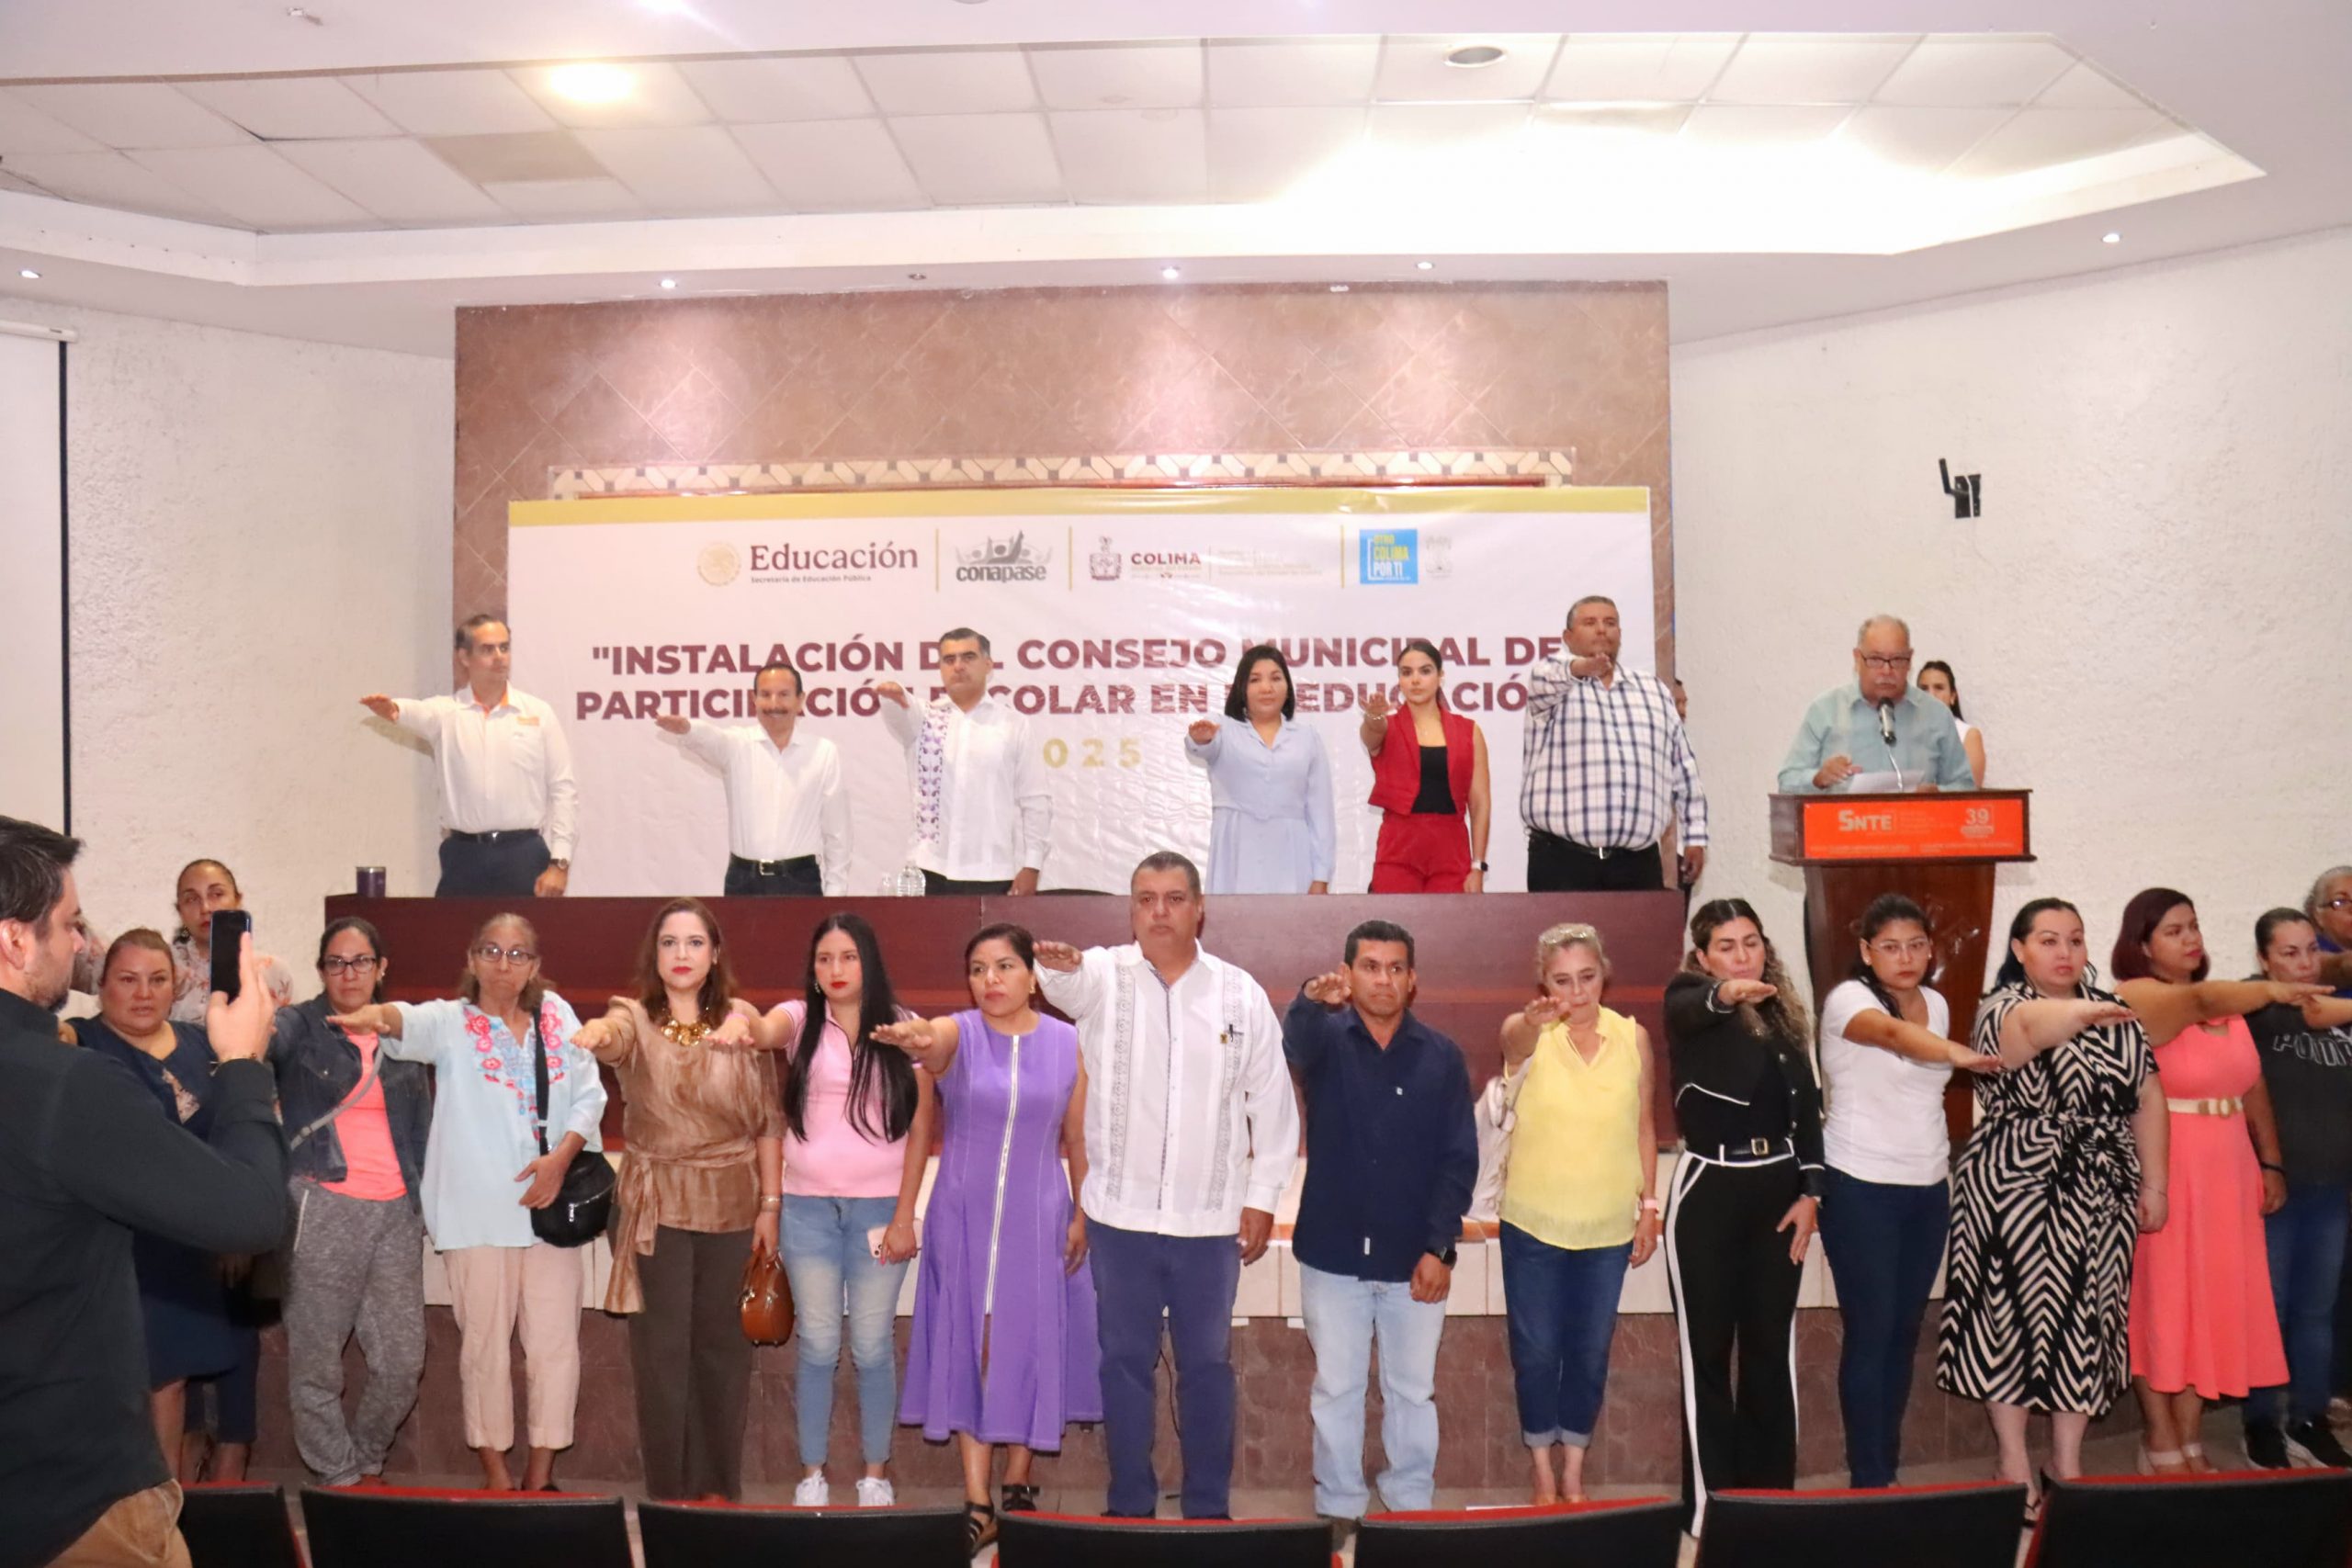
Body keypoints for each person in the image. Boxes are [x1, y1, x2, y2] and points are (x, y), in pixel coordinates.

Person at [0, 816, 286, 1568]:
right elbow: (251, 1211)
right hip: (66, 1499)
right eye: (70, 922)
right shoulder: (61, 1083)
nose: (79, 945)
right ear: (15, 940)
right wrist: (244, 1064)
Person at [1034, 852, 1300, 1520]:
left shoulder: (1239, 993)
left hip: (1209, 1224)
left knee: (1206, 1365)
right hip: (1119, 1220)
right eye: (1146, 898)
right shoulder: (1104, 976)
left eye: (1174, 898)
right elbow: (1064, 985)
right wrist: (1055, 966)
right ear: (1131, 910)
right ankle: (1129, 1505)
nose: (1159, 911)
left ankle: (1208, 1509)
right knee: (1124, 1363)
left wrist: (1262, 1196)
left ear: (1199, 908)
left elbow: (1273, 1104)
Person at [327, 913, 606, 1491]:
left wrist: (559, 1160)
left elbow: (590, 1095)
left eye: (518, 953)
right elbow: (402, 1019)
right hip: (476, 1215)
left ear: (535, 964)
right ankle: (497, 1480)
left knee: (555, 1347)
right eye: (492, 951)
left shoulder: (557, 1015)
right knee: (484, 1350)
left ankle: (540, 1479)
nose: (504, 963)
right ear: (472, 958)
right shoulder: (452, 1023)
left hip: (551, 1209)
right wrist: (373, 1016)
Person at [1938, 898, 2164, 1523]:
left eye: (2075, 938)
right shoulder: (2002, 1006)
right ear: (2019, 949)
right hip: (2016, 1182)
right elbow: (2030, 1033)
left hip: (2103, 1184)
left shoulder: (2115, 1012)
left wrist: (2157, 1183)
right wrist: (2082, 1012)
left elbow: (2148, 1097)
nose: (2065, 951)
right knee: (2008, 1316)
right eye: (2048, 940)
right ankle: (2011, 1462)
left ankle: (2068, 1461)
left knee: (2089, 1320)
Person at [876, 925, 1100, 1554]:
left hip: (1041, 1215)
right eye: (978, 969)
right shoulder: (958, 1034)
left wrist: (1083, 1213)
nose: (991, 980)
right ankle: (978, 1500)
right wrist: (921, 1038)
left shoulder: (1068, 1043)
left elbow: (1077, 1139)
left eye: (1004, 966)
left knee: (1028, 1345)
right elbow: (935, 1047)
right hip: (963, 1215)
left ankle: (1018, 1482)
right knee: (973, 1346)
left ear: (1032, 976)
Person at [568, 899, 780, 1501]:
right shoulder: (631, 1015)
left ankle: (717, 1489)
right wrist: (597, 1035)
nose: (681, 954)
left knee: (723, 1351)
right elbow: (612, 1037)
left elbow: (769, 1121)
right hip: (655, 1204)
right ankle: (669, 1495)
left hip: (733, 1202)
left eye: (694, 942)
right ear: (654, 955)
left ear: (715, 954)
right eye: (669, 943)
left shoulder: (742, 1019)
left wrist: (771, 1206)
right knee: (661, 1355)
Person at [1284, 920, 1475, 1540]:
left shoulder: (1441, 1056)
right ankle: (1339, 1503)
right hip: (1332, 1252)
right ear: (1349, 973)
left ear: (1412, 979)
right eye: (1370, 966)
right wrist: (1310, 997)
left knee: (1412, 1390)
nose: (1384, 979)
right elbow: (1294, 1041)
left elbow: (1458, 1160)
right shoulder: (1325, 1041)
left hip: (1413, 1256)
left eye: (1396, 968)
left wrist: (1440, 1247)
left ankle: (1410, 1502)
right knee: (1336, 1386)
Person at [2110, 889, 2312, 1472]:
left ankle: (2191, 1436)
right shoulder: (2135, 996)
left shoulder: (2225, 1007)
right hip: (2169, 1164)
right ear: (2142, 944)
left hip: (2230, 1168)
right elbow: (2196, 1000)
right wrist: (2272, 989)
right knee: (2162, 1303)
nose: (2191, 938)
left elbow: (2252, 1087)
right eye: (2174, 930)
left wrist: (2270, 1161)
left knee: (2214, 1302)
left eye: (2194, 926)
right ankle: (2159, 1437)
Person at [740, 913, 933, 1507]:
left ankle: (875, 1473)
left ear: (868, 961)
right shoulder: (800, 1020)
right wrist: (740, 1017)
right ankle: (812, 1473)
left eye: (848, 956)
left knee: (872, 1344)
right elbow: (764, 1029)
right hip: (807, 1210)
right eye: (824, 958)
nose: (836, 969)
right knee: (819, 1343)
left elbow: (920, 1131)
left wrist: (905, 1214)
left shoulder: (902, 1026)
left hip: (881, 1211)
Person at [1815, 895, 1998, 1489]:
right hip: (1860, 1184)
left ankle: (1886, 1471)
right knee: (1871, 1331)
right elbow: (1893, 1035)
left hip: (1927, 1186)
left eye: (1917, 945)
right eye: (1890, 947)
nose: (1906, 957)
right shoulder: (1850, 1000)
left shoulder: (1937, 1003)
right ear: (1867, 952)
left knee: (1903, 1331)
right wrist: (1955, 1052)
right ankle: (1869, 1480)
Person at [64, 933, 252, 1486]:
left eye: (157, 980)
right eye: (128, 980)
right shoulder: (77, 1043)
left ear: (176, 987)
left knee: (170, 1379)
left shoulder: (203, 1045)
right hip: (110, 1241)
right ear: (101, 986)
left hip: (189, 1245)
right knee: (130, 1380)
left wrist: (233, 1232)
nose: (143, 993)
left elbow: (231, 1141)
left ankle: (167, 1505)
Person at [1661, 898, 1823, 1534]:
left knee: (1769, 1350)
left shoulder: (1784, 1014)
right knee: (1706, 1355)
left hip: (1779, 1193)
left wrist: (1811, 1192)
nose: (1742, 955)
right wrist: (1726, 992)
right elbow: (1694, 1005)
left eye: (1751, 942)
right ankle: (1708, 1509)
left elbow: (1807, 1111)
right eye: (1726, 946)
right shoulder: (1688, 998)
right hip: (1709, 1190)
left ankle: (1769, 1503)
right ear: (1703, 956)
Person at [1495, 922, 1659, 1505]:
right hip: (1533, 1224)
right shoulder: (1530, 1032)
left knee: (1589, 1353)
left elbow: (1644, 1127)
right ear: (1544, 983)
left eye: (1587, 977)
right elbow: (1511, 1039)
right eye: (1562, 980)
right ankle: (1541, 1466)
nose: (1577, 991)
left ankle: (1574, 1468)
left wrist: (1649, 1206)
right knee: (1537, 1351)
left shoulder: (1633, 1037)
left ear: (1604, 975)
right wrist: (1532, 1021)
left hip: (1607, 1228)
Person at [266, 918, 431, 1488]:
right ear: (321, 971)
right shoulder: (300, 1026)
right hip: (323, 1205)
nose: (349, 973)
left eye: (361, 961)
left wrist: (424, 1201)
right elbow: (265, 1041)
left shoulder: (405, 1032)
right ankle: (338, 1475)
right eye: (336, 963)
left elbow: (423, 1123)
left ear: (381, 968)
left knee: (403, 1362)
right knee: (316, 1364)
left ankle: (364, 1458)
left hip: (396, 1211)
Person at [2239, 908, 2352, 1469]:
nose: (2305, 963)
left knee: (2316, 1310)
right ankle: (2261, 1423)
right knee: (2270, 1309)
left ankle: (2309, 1418)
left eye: (2311, 949)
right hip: (2277, 1189)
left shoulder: (2340, 1012)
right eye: (2289, 953)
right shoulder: (2256, 1008)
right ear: (2264, 961)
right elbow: (2310, 1012)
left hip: (2332, 1189)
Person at [359, 615, 580, 897]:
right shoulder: (445, 713)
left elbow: (563, 790)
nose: (499, 657)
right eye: (488, 649)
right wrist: (393, 709)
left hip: (524, 855)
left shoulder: (539, 713)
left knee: (529, 928)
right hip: (463, 857)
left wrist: (560, 863)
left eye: (504, 647)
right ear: (464, 657)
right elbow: (413, 711)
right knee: (453, 927)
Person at [1519, 594, 1707, 893]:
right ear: (1568, 637)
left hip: (1638, 863)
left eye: (1610, 623)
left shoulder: (1653, 690)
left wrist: (1695, 835)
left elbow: (1682, 765)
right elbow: (1548, 674)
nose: (1601, 629)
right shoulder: (1550, 683)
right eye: (1589, 623)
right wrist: (1584, 667)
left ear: (1620, 633)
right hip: (1562, 862)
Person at [653, 657, 852, 896]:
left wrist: (835, 894)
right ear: (753, 699)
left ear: (800, 700)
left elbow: (837, 833)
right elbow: (711, 739)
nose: (774, 704)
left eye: (784, 694)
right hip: (743, 881)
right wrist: (687, 729)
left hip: (801, 882)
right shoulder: (737, 745)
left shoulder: (823, 752)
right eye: (765, 695)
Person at [875, 627, 1047, 896]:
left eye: (968, 657)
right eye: (949, 659)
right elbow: (899, 712)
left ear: (988, 665)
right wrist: (894, 696)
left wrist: (1032, 866)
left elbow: (1035, 799)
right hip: (928, 870)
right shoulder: (923, 717)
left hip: (991, 872)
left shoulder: (1013, 724)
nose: (958, 666)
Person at [1185, 644, 1334, 895]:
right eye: (1255, 680)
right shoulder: (1223, 728)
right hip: (1236, 852)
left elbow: (1321, 812)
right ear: (1242, 688)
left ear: (1288, 687)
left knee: (1292, 919)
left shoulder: (1307, 738)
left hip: (1292, 855)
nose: (1267, 688)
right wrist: (1201, 739)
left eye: (1276, 678)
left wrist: (1321, 875)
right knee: (1234, 918)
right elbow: (1201, 747)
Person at [1777, 615, 1973, 795]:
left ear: (1910, 660)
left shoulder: (1936, 715)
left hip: (1918, 822)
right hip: (1844, 822)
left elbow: (1965, 785)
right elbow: (1788, 780)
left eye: (1897, 660)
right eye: (1876, 660)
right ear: (1857, 659)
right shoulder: (1826, 710)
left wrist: (1938, 793)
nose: (1886, 670)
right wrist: (1818, 779)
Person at [1360, 639, 1490, 893]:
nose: (1416, 680)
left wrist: (1477, 866)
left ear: (1441, 676)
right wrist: (1374, 715)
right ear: (1399, 680)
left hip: (1451, 851)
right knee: (1394, 919)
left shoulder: (1469, 731)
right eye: (1407, 673)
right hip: (1398, 851)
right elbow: (1371, 733)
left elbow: (1480, 803)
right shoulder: (1387, 727)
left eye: (1425, 671)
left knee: (1449, 919)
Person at [166, 858, 295, 1023]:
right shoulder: (164, 971)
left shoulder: (273, 972)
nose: (205, 908)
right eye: (192, 899)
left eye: (217, 894)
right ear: (180, 911)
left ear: (237, 900)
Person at [1916, 660, 1986, 786]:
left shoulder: (1968, 735)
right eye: (1924, 689)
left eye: (1939, 688)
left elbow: (1970, 788)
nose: (1930, 695)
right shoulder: (1906, 732)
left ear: (1953, 696)